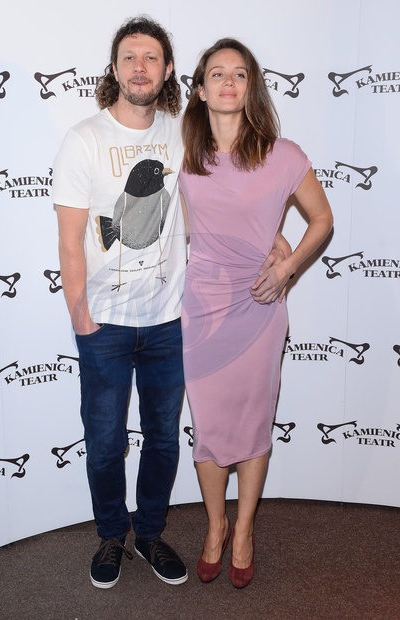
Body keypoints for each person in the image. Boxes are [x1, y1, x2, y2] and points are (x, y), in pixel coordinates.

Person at [53, 16, 290, 590]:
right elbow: (70, 239)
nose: (140, 68)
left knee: (163, 438)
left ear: (167, 72)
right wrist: (81, 317)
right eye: (129, 58)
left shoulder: (184, 135)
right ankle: (112, 535)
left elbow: (227, 195)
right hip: (105, 324)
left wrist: (276, 238)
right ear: (114, 69)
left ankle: (152, 532)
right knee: (105, 441)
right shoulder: (84, 139)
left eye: (151, 58)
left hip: (170, 320)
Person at [179, 38, 333, 589]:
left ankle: (243, 530)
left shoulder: (282, 154)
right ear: (200, 90)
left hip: (260, 305)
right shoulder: (181, 153)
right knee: (209, 424)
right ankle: (214, 527)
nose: (228, 81)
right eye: (217, 73)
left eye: (239, 73)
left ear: (251, 87)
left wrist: (286, 266)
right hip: (202, 308)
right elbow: (177, 223)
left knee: (252, 420)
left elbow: (322, 219)